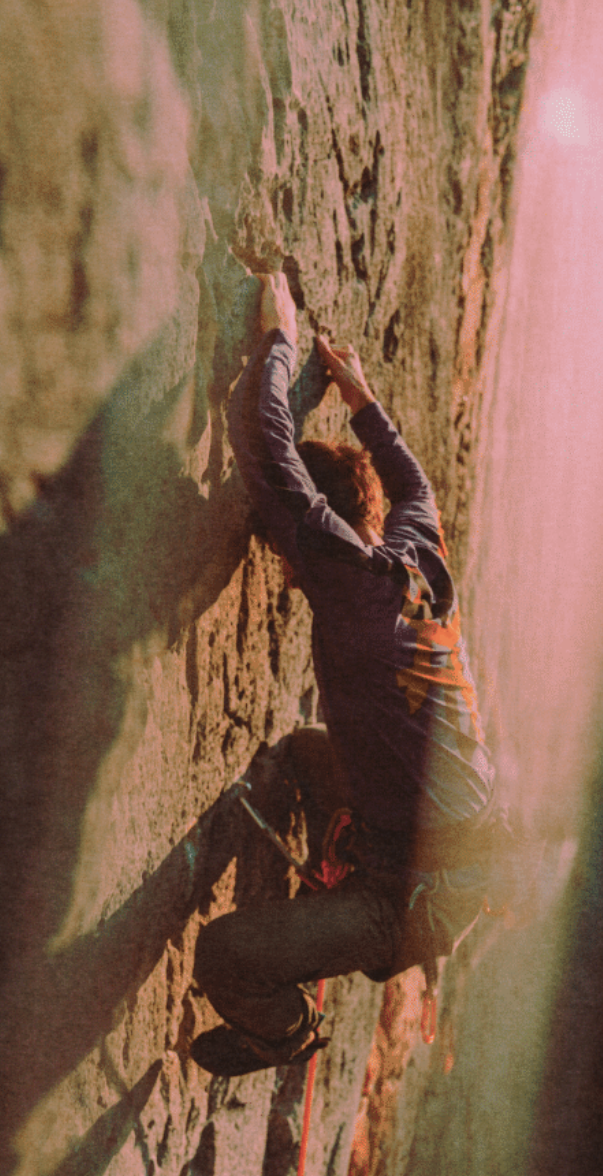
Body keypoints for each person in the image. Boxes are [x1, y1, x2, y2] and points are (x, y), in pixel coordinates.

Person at [190, 271, 511, 1077]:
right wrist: (360, 394)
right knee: (304, 751)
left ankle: (283, 1029)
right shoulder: (417, 557)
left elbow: (268, 452)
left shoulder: (348, 579)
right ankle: (347, 855)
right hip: (445, 839)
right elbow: (415, 482)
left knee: (224, 954)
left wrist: (280, 343)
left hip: (412, 898)